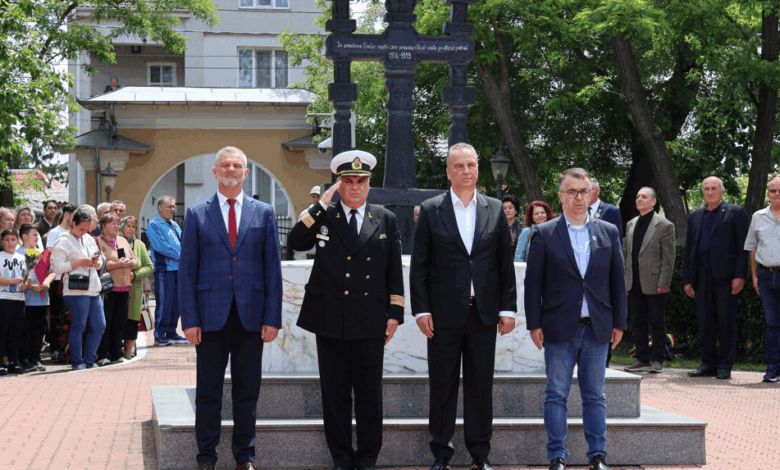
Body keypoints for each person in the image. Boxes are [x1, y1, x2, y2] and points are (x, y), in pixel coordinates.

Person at [290, 150, 404, 470]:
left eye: (360, 181)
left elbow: (394, 269)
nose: (355, 187)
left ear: (368, 185)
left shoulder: (385, 218)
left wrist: (394, 314)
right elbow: (297, 241)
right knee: (335, 395)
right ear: (338, 185)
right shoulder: (325, 215)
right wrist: (321, 204)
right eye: (348, 181)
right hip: (330, 318)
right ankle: (341, 459)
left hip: (370, 318)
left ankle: (367, 459)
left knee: (369, 395)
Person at [411, 143, 517, 470]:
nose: (466, 171)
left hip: (483, 314)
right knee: (442, 386)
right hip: (442, 315)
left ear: (478, 168)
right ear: (449, 171)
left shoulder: (495, 209)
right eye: (459, 166)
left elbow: (504, 264)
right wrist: (421, 309)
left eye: (471, 164)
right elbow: (420, 265)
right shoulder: (431, 210)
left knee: (480, 387)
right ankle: (441, 453)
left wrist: (508, 309)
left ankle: (480, 454)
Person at [179, 146, 282, 470]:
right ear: (215, 172)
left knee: (247, 391)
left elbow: (272, 269)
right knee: (208, 391)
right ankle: (206, 458)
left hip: (252, 316)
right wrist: (189, 319)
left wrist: (273, 317)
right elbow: (187, 270)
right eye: (225, 165)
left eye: (237, 165)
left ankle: (244, 458)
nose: (231, 170)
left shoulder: (264, 213)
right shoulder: (196, 214)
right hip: (210, 316)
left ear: (246, 173)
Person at [525, 167, 627, 470]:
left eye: (583, 191)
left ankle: (597, 455)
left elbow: (618, 281)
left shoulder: (608, 231)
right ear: (561, 196)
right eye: (571, 191)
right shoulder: (544, 233)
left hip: (597, 328)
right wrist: (534, 324)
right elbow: (533, 285)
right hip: (558, 328)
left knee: (595, 396)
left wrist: (620, 323)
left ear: (591, 194)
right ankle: (557, 456)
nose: (578, 197)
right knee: (556, 394)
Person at [683, 176, 748, 380]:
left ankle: (725, 365)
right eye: (706, 189)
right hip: (701, 276)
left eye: (714, 188)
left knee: (726, 322)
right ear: (703, 192)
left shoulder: (736, 212)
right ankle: (707, 364)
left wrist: (740, 275)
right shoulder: (695, 216)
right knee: (705, 322)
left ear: (721, 191)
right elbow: (689, 250)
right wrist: (687, 279)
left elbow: (742, 248)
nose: (710, 192)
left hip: (726, 278)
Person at [623, 188, 675, 373]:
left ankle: (657, 359)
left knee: (657, 321)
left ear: (653, 202)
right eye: (637, 196)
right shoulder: (631, 223)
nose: (639, 199)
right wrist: (626, 281)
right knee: (638, 321)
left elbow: (668, 257)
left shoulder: (665, 225)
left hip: (655, 282)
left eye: (644, 197)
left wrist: (664, 282)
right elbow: (627, 255)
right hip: (634, 281)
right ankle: (642, 358)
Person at [50, 207, 106, 371]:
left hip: (93, 288)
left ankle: (89, 360)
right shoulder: (63, 239)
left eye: (86, 229)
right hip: (75, 289)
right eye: (81, 229)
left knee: (99, 326)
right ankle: (77, 361)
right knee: (79, 326)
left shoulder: (88, 238)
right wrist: (79, 262)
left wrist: (96, 262)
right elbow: (56, 267)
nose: (84, 232)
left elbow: (100, 260)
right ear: (73, 223)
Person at [744, 175, 780, 382]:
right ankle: (773, 368)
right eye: (773, 190)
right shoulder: (758, 216)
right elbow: (752, 248)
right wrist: (754, 275)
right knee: (772, 323)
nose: (777, 194)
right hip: (765, 275)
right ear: (768, 193)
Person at [96, 213, 138, 365]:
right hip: (109, 288)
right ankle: (102, 355)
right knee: (106, 323)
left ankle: (115, 354)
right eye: (112, 223)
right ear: (104, 226)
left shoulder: (122, 241)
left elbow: (135, 260)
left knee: (120, 323)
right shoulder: (98, 241)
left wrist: (130, 262)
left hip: (124, 287)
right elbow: (101, 264)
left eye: (117, 223)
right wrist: (117, 264)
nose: (116, 226)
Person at [147, 195, 186, 346]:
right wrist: (180, 256)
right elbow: (160, 247)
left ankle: (171, 332)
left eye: (174, 206)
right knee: (164, 303)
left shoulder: (174, 225)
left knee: (176, 303)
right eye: (169, 206)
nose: (172, 209)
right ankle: (159, 334)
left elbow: (183, 242)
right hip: (164, 270)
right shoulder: (153, 225)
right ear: (160, 208)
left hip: (178, 269)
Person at [17, 224, 55, 372]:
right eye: (34, 235)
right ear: (25, 236)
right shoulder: (18, 254)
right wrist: (31, 286)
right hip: (25, 299)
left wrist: (47, 282)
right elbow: (17, 276)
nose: (37, 238)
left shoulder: (41, 254)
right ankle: (24, 359)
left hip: (42, 299)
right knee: (25, 330)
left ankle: (36, 358)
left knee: (39, 330)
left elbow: (52, 271)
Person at [45, 203, 76, 362]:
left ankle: (67, 349)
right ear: (66, 215)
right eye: (74, 216)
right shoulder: (54, 233)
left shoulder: (75, 232)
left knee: (69, 316)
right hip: (57, 278)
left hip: (72, 278)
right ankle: (56, 349)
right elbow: (49, 255)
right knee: (57, 315)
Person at [121, 215, 153, 360]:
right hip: (119, 288)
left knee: (133, 322)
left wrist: (135, 275)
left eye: (133, 226)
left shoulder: (139, 244)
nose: (131, 229)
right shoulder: (117, 242)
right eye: (128, 226)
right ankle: (117, 350)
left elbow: (149, 266)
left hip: (135, 289)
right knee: (119, 320)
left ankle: (128, 353)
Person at [0, 227, 29, 375]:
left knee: (15, 332)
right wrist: (11, 281)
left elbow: (26, 276)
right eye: (7, 240)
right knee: (2, 332)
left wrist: (25, 284)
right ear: (2, 242)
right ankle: (1, 362)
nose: (10, 243)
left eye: (13, 239)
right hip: (3, 299)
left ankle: (13, 361)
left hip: (19, 299)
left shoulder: (22, 257)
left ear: (18, 241)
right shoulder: (0, 257)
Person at [295, 186, 322, 260]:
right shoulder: (305, 214)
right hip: (309, 253)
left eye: (318, 197)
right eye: (313, 197)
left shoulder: (327, 212)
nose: (315, 199)